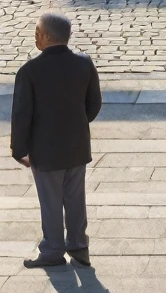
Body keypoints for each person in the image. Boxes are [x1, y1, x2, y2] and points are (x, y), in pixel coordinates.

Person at [10, 13, 102, 268]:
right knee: (75, 200)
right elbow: (94, 104)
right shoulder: (84, 64)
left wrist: (19, 150)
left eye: (37, 32)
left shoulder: (30, 71)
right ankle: (79, 247)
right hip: (77, 146)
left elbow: (21, 114)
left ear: (48, 36)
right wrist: (77, 125)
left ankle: (52, 250)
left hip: (45, 151)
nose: (35, 36)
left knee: (50, 203)